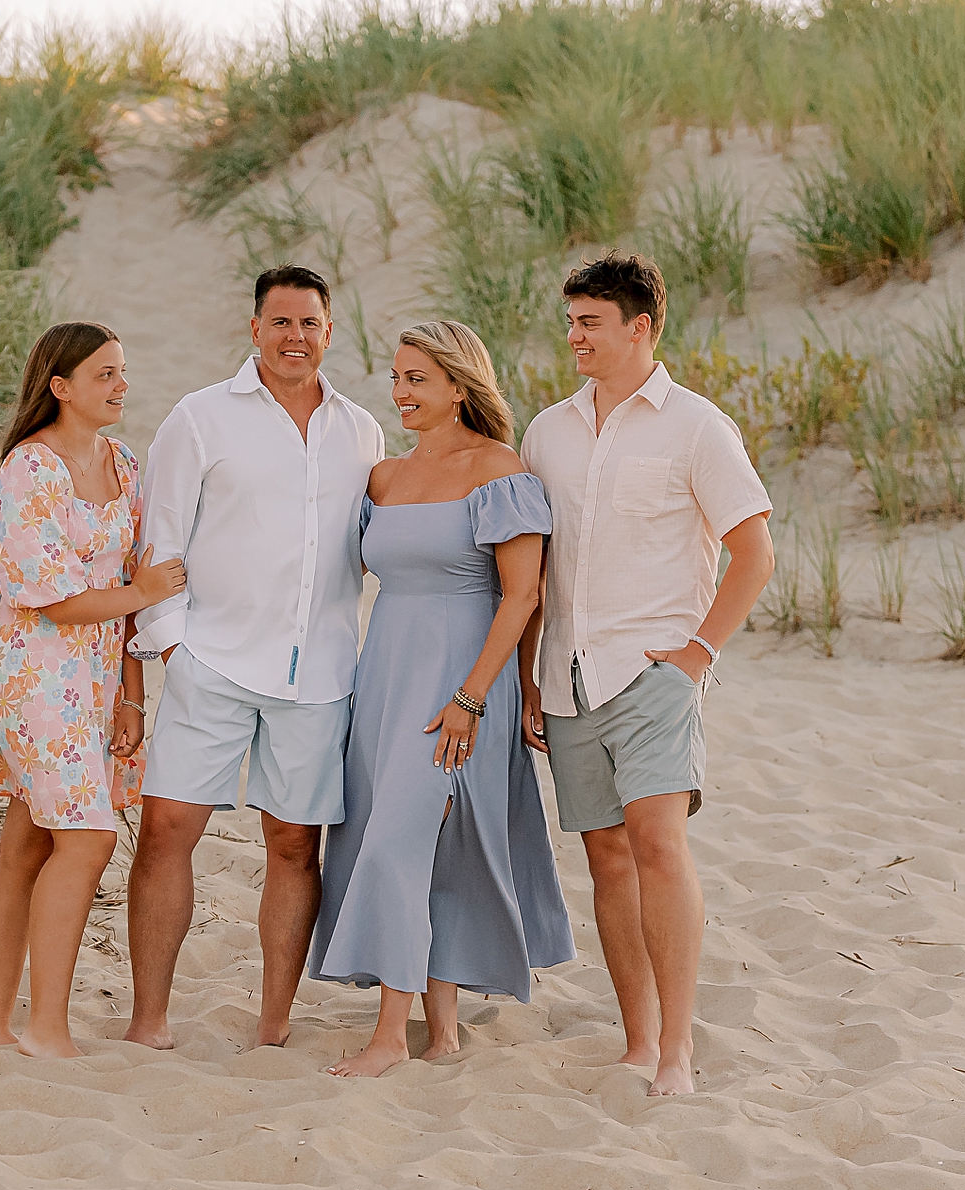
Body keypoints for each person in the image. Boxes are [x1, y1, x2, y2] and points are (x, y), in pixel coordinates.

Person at [518, 250, 775, 1096]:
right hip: (567, 678)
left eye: (590, 323)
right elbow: (531, 571)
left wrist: (696, 656)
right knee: (606, 860)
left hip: (655, 674)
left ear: (643, 327)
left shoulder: (699, 426)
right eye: (571, 322)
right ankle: (638, 1039)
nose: (575, 337)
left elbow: (754, 552)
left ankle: (678, 1052)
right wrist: (527, 678)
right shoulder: (547, 431)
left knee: (660, 848)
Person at [121, 265, 385, 1050]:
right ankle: (149, 1020)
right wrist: (175, 646)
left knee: (295, 846)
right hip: (215, 662)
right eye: (280, 323)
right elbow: (158, 539)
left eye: (310, 324)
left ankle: (273, 1026)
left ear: (329, 332)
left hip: (320, 675)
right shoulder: (200, 419)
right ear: (254, 330)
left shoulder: (360, 430)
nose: (295, 338)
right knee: (168, 829)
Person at [309, 321, 575, 1078]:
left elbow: (524, 595)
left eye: (417, 379)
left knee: (404, 839)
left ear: (461, 384)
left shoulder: (499, 468)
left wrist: (476, 695)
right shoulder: (384, 478)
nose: (400, 394)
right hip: (386, 681)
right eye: (395, 378)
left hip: (462, 687)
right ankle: (444, 1026)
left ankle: (391, 1035)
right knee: (414, 844)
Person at [0, 322, 186, 1058]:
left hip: (93, 674)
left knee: (27, 842)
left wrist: (130, 694)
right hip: (30, 670)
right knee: (87, 835)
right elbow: (49, 597)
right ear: (61, 386)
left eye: (122, 371)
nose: (121, 386)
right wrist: (141, 590)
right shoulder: (29, 469)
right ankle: (47, 1026)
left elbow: (127, 590)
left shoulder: (120, 461)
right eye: (105, 375)